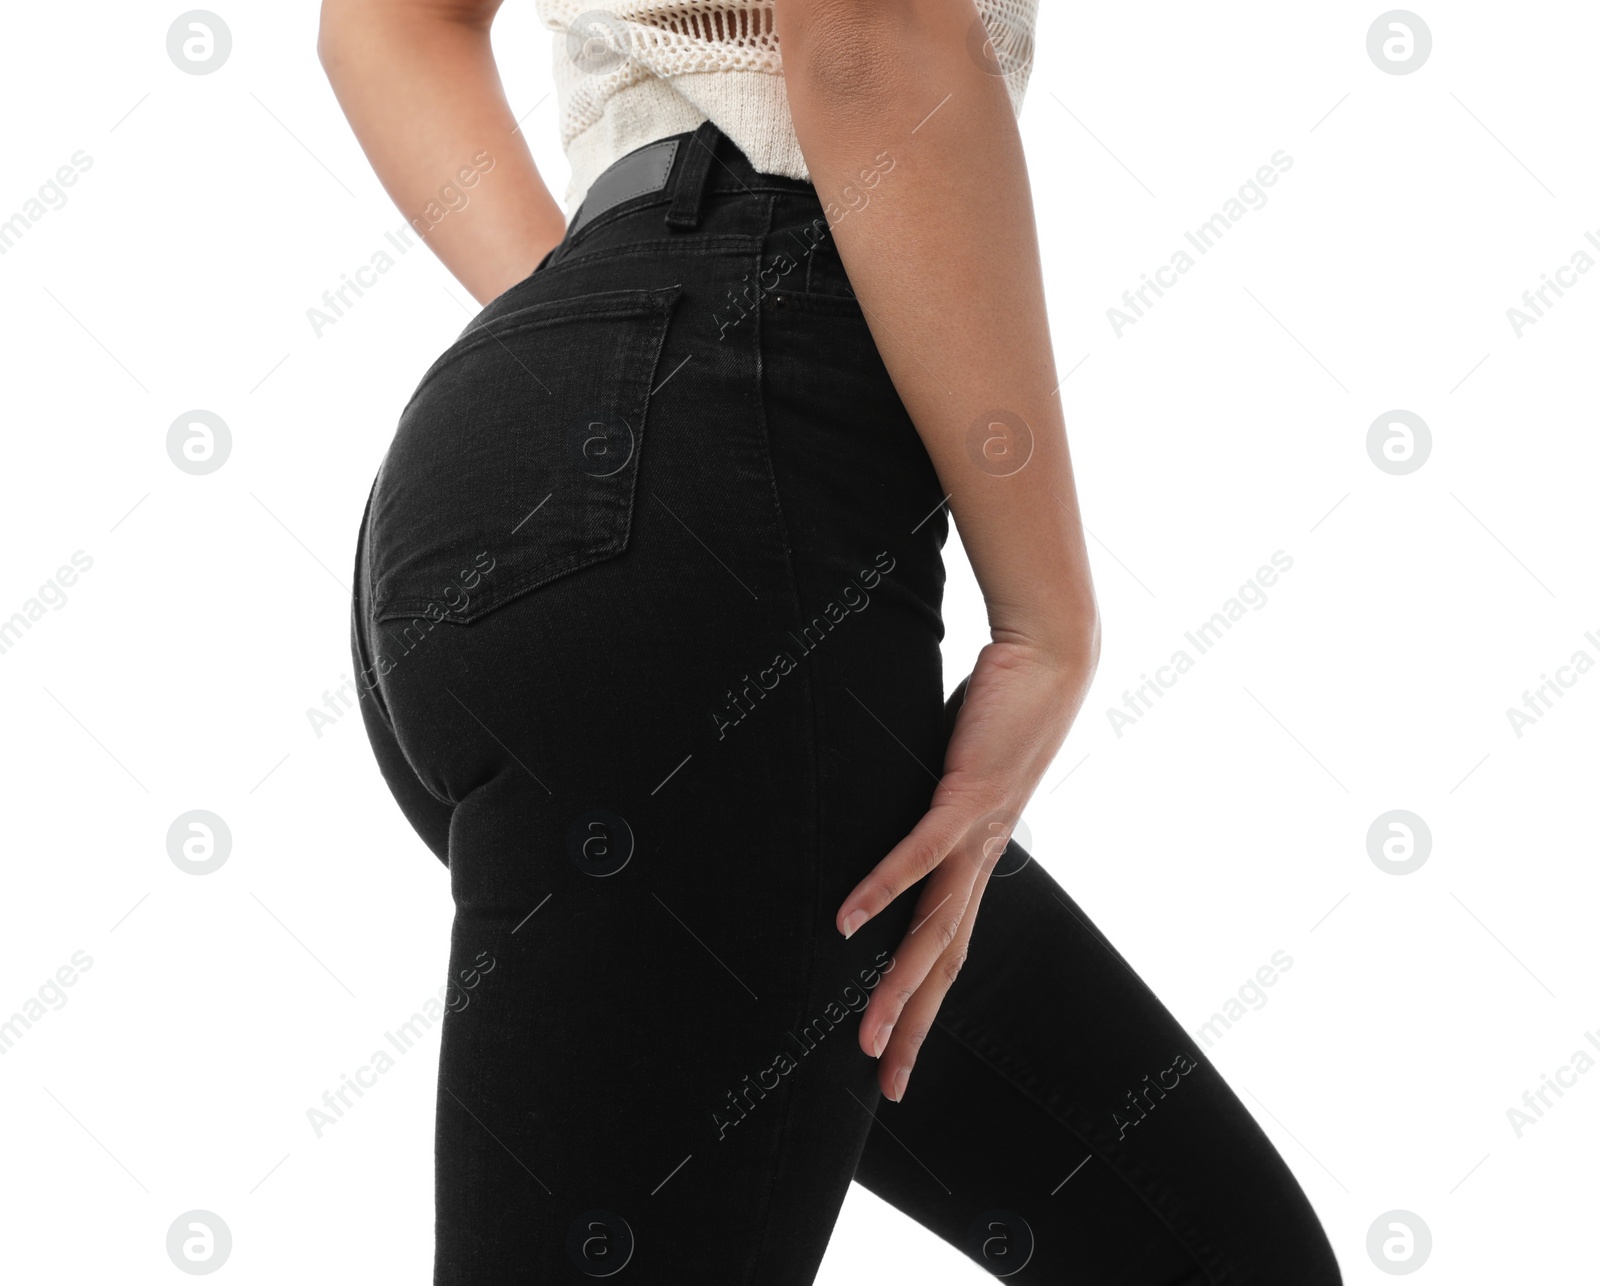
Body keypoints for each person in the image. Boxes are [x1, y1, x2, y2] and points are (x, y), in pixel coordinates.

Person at [320, 1, 1344, 1280]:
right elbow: (865, 34)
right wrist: (1047, 621)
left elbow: (381, 23)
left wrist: (607, 342)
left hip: (521, 462)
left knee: (1207, 1249)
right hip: (703, 489)